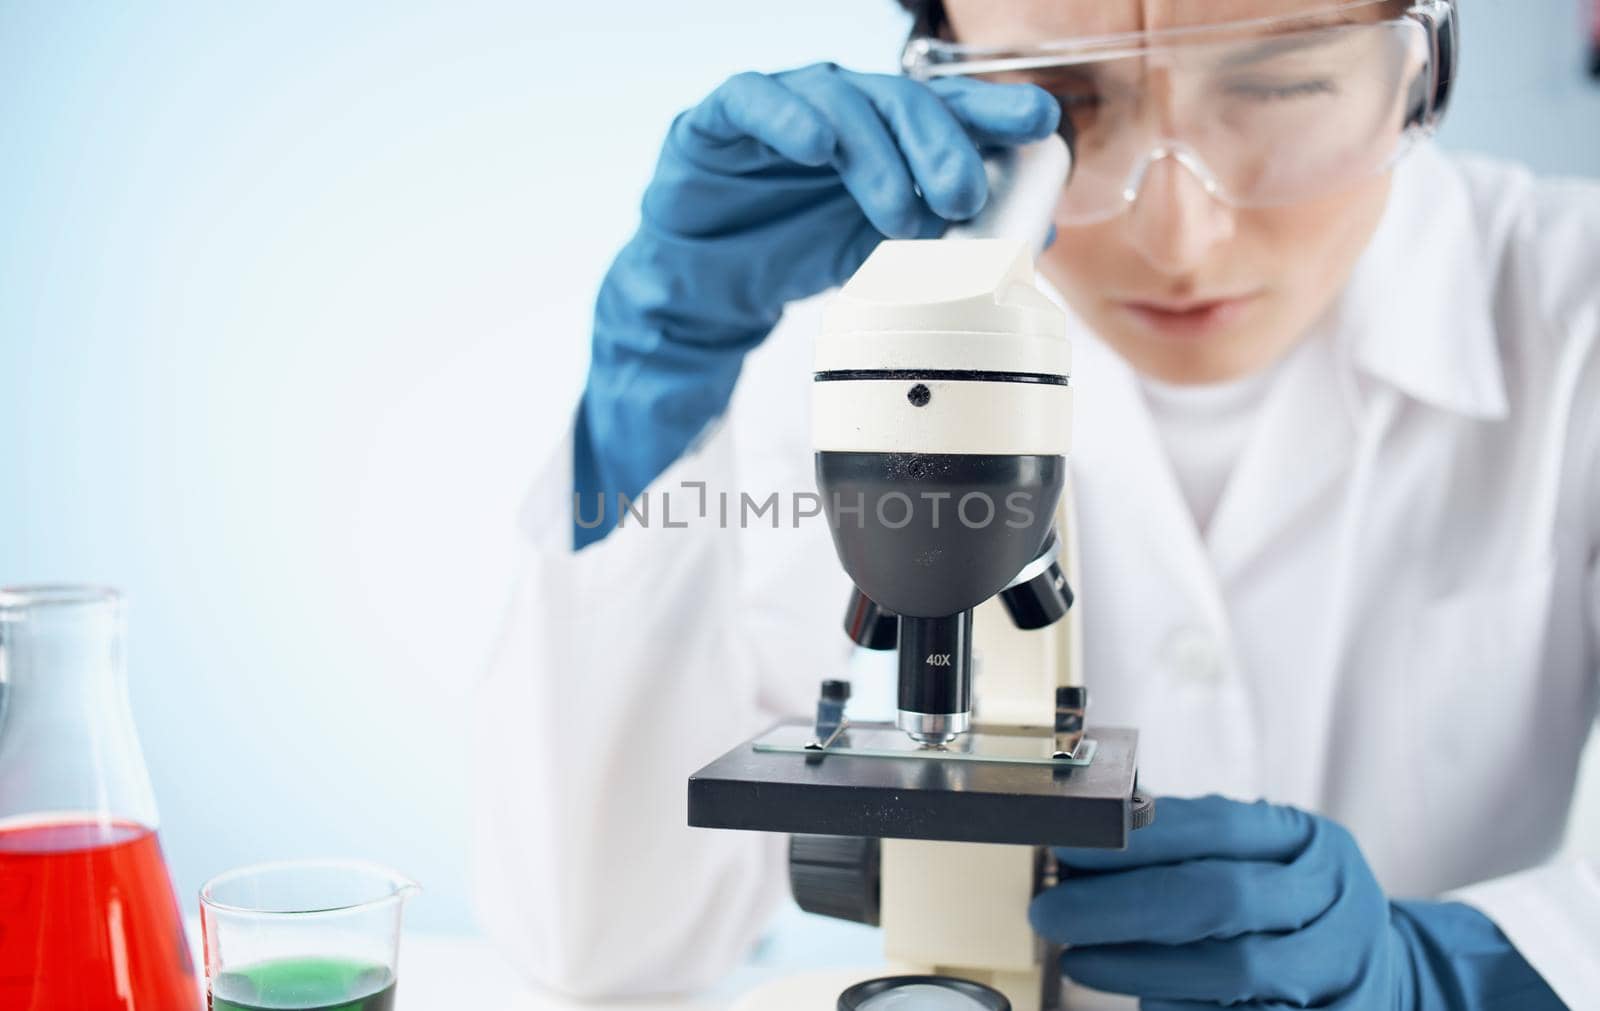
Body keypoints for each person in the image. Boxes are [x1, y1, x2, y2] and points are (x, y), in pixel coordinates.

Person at [472, 0, 1600, 1006]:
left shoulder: (1575, 306)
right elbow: (600, 943)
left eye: (1278, 86)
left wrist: (1462, 974)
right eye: (1060, 105)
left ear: (1422, 68)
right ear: (942, 79)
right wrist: (650, 391)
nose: (1177, 237)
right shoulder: (844, 346)